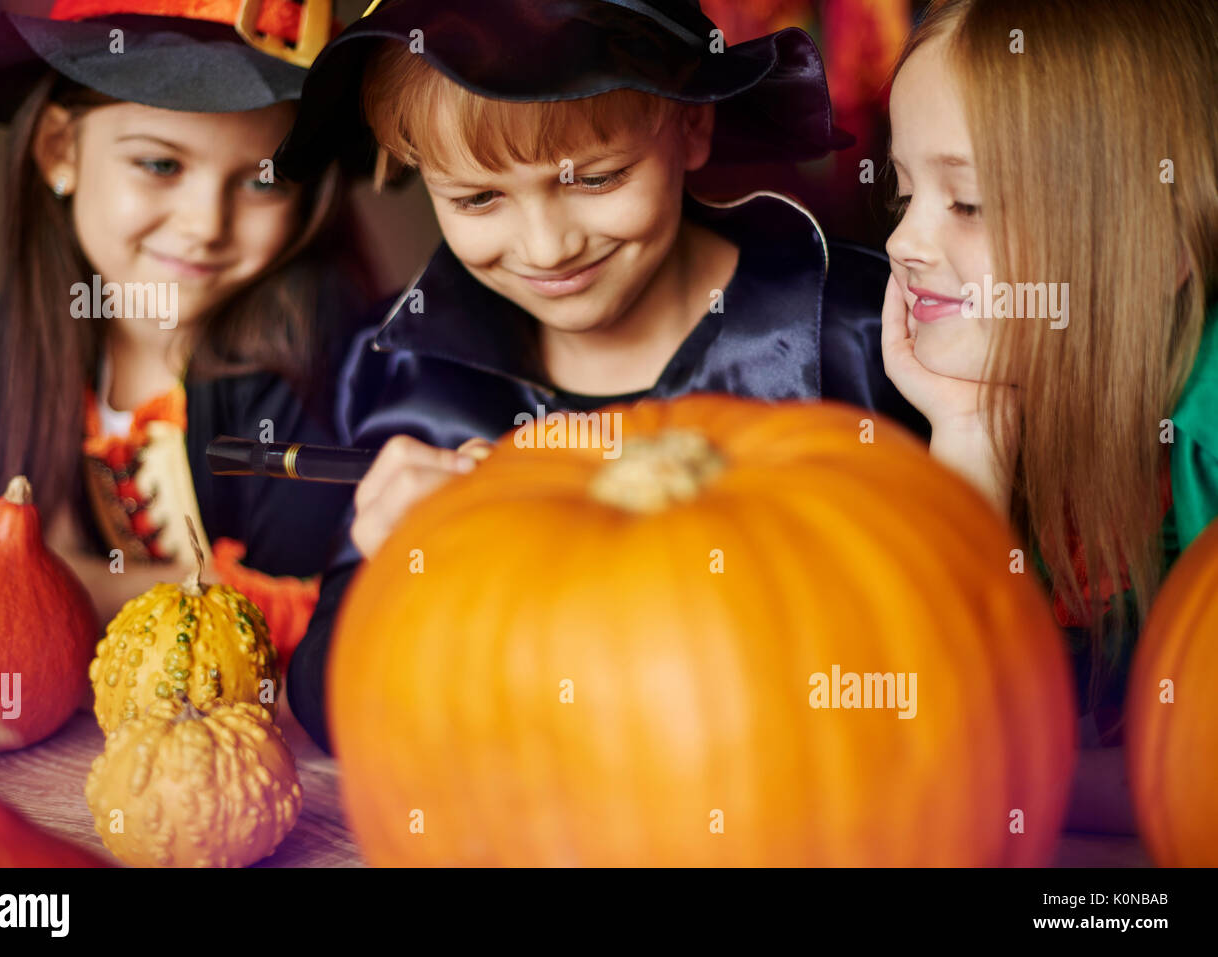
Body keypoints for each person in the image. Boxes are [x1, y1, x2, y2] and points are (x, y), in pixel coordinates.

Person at [274, 0, 928, 752]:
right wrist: (390, 575)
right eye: (478, 197)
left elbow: (957, 643)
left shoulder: (854, 334)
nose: (547, 248)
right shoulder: (407, 370)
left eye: (596, 178)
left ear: (691, 126)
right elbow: (330, 699)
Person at [0, 0, 375, 665]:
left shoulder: (306, 348)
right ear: (60, 150)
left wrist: (56, 577)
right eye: (161, 165)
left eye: (262, 181)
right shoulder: (12, 341)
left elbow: (302, 613)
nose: (205, 224)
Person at [880, 0, 1218, 830]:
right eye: (903, 192)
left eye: (969, 203)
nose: (902, 240)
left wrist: (1022, 780)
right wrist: (969, 440)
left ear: (1159, 250)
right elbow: (922, 740)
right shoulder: (954, 393)